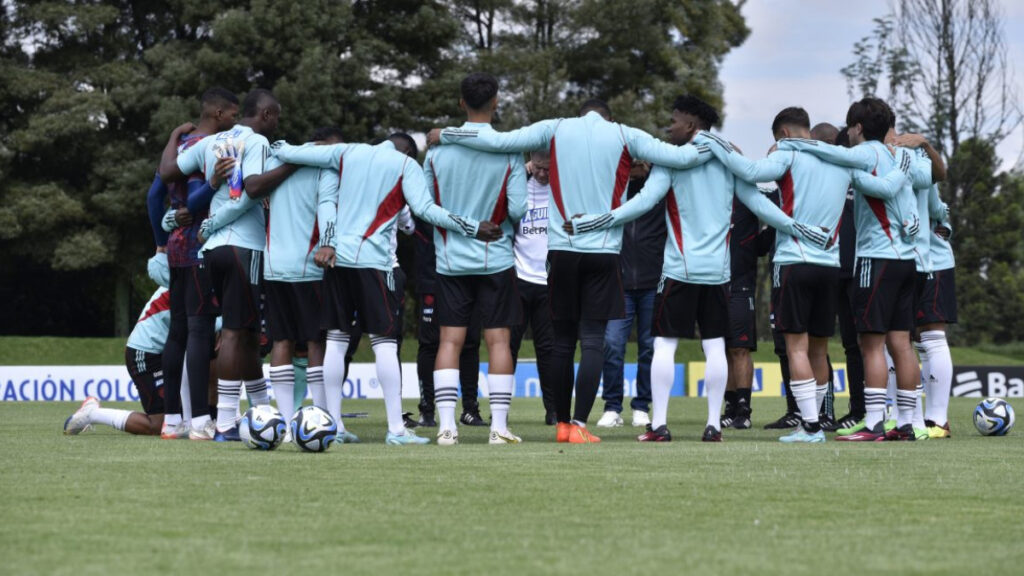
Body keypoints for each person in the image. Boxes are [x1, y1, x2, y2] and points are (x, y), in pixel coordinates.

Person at [430, 98, 718, 444]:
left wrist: (444, 134)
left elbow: (498, 141)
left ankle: (562, 423)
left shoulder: (555, 128)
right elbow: (683, 157)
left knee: (562, 343)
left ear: (580, 115)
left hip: (562, 250)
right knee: (593, 341)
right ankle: (580, 423)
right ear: (607, 118)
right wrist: (715, 143)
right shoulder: (625, 134)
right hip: (603, 252)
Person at [567, 96, 832, 443]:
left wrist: (599, 221)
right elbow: (759, 206)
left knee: (664, 344)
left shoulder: (672, 163)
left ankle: (659, 425)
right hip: (719, 273)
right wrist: (800, 228)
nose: (668, 126)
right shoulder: (726, 162)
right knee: (714, 346)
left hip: (678, 271)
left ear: (691, 126)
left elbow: (643, 203)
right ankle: (713, 426)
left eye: (674, 120)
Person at [271, 132, 499, 445]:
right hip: (374, 264)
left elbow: (294, 154)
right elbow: (425, 211)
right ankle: (395, 429)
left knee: (336, 342)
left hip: (339, 261)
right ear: (408, 152)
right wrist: (472, 227)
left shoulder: (348, 150)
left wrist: (281, 146)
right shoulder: (405, 165)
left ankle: (334, 425)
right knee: (384, 343)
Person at [702, 106, 911, 442]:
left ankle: (810, 426)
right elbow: (886, 189)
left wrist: (713, 142)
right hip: (830, 266)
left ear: (783, 134)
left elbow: (750, 171)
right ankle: (822, 418)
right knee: (818, 349)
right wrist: (903, 164)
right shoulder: (841, 160)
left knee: (796, 348)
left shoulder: (788, 155)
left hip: (794, 261)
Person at [778, 96, 939, 442]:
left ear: (858, 128)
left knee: (871, 345)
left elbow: (836, 155)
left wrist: (797, 144)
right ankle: (910, 423)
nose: (846, 135)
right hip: (909, 260)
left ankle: (875, 422)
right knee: (902, 344)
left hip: (876, 258)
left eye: (848, 128)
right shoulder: (905, 155)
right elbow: (932, 177)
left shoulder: (866, 153)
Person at [161, 88, 296, 441]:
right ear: (266, 115)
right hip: (242, 245)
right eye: (276, 116)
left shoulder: (209, 143)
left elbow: (167, 173)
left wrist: (175, 136)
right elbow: (250, 191)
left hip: (210, 253)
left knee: (248, 332)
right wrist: (215, 221)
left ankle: (262, 408)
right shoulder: (258, 144)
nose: (277, 123)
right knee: (235, 333)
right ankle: (223, 421)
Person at [424, 72, 527, 445]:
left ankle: (446, 427)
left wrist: (464, 226)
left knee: (449, 341)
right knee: (498, 341)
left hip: (450, 260)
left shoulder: (436, 151)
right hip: (495, 259)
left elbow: (426, 207)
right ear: (496, 102)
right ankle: (498, 428)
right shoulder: (508, 150)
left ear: (460, 102)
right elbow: (518, 209)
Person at [242, 126, 353, 442]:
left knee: (282, 342)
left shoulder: (274, 165)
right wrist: (328, 243)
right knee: (316, 342)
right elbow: (326, 210)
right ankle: (322, 418)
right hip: (311, 266)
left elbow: (253, 193)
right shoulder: (325, 170)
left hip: (274, 266)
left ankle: (288, 424)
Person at [147, 88, 238, 440]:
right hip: (199, 245)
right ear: (217, 113)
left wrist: (159, 241)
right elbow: (196, 203)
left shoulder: (178, 147)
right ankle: (200, 420)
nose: (233, 123)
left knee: (178, 332)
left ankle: (172, 420)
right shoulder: (207, 148)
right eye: (231, 115)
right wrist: (214, 183)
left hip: (174, 248)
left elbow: (154, 196)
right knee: (200, 331)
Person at [64, 256, 174, 437]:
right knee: (158, 425)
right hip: (146, 353)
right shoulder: (187, 282)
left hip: (162, 350)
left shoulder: (193, 276)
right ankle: (92, 414)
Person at [596, 161, 658, 429]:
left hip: (654, 282)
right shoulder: (611, 190)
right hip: (618, 283)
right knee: (611, 344)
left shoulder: (660, 189)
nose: (633, 168)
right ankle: (612, 407)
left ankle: (642, 406)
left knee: (650, 348)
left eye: (638, 163)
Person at [411, 216, 485, 428]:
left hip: (467, 271)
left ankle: (470, 409)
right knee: (430, 342)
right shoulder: (425, 191)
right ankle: (427, 410)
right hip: (431, 274)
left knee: (470, 340)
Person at [510, 149, 558, 425]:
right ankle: (500, 411)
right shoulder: (520, 186)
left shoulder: (563, 190)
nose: (542, 174)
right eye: (538, 168)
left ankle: (553, 411)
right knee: (509, 345)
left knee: (548, 350)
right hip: (519, 278)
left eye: (547, 169)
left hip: (549, 283)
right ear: (530, 163)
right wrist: (524, 170)